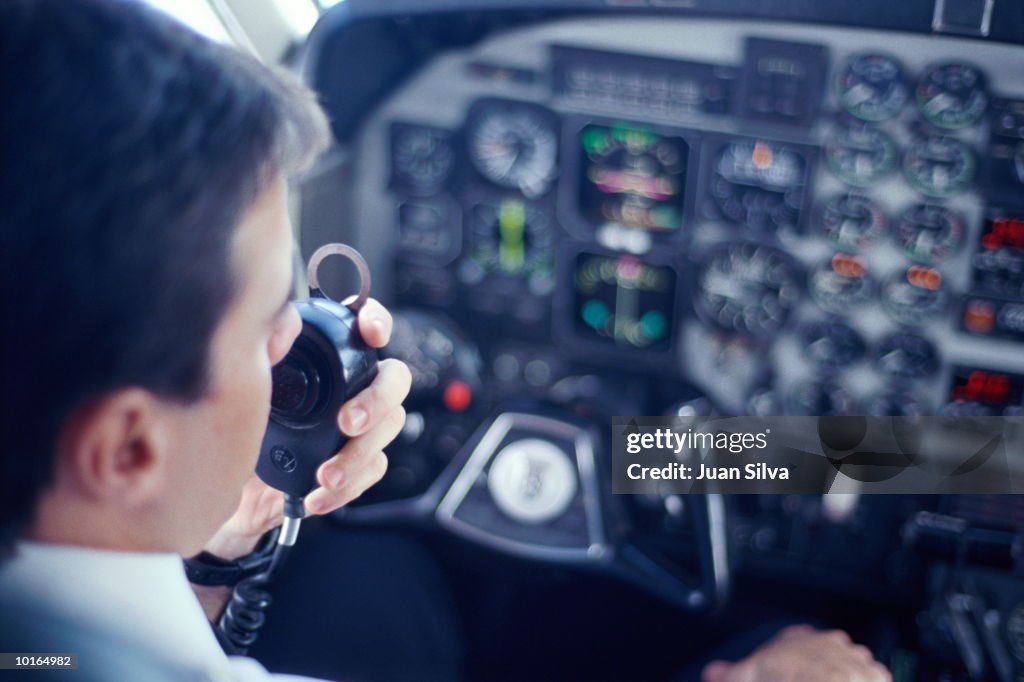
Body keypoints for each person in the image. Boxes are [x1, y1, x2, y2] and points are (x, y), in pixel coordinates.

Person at [0, 1, 890, 681]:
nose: (306, 332)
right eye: (272, 314)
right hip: (705, 462)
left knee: (376, 573)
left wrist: (221, 543)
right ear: (126, 449)